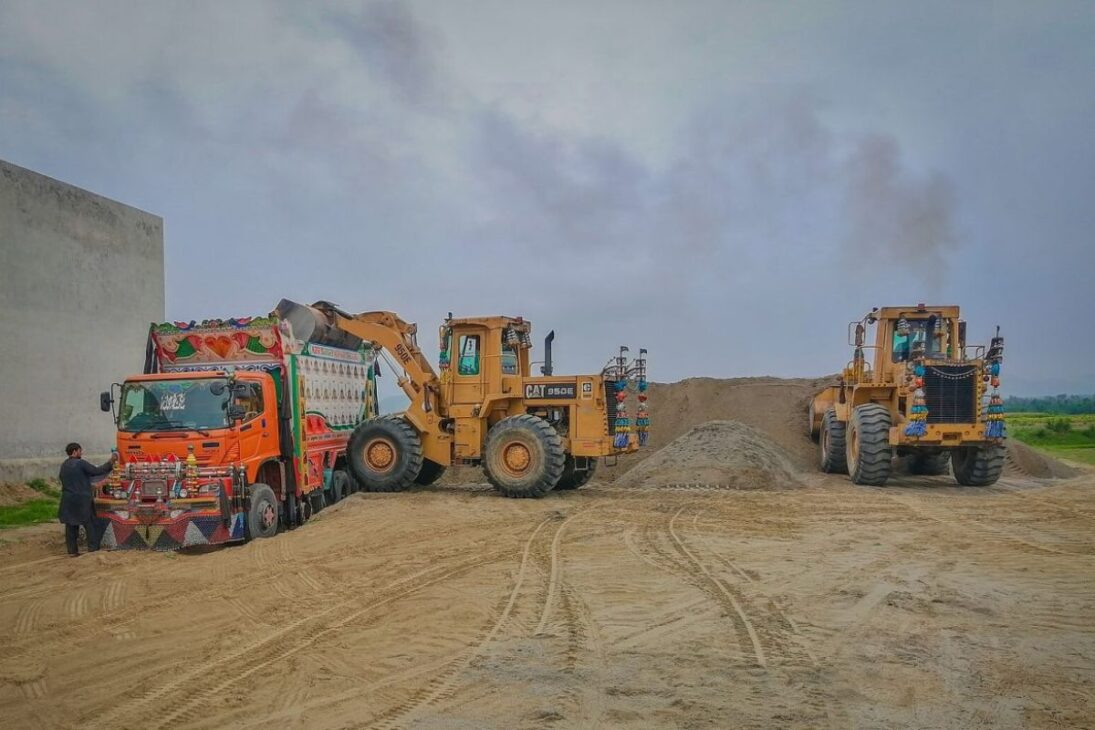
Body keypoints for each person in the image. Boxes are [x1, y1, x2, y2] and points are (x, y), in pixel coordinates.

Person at [58, 443, 117, 556]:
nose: (82, 453)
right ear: (75, 451)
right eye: (80, 451)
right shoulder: (80, 463)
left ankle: (72, 551)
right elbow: (97, 471)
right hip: (82, 500)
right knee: (90, 524)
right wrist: (111, 462)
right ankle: (93, 550)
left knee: (71, 525)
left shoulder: (64, 465)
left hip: (68, 499)